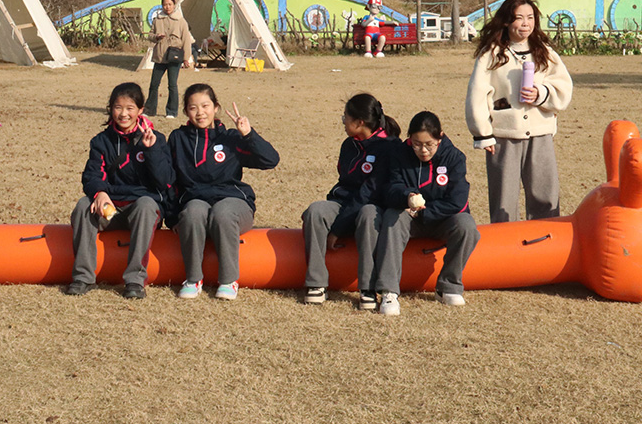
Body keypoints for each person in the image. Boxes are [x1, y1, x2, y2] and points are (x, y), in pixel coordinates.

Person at [465, 0, 573, 223]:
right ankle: (506, 251)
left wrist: (541, 94)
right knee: (503, 201)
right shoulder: (491, 54)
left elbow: (563, 86)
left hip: (540, 133)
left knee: (545, 197)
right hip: (504, 137)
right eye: (519, 18)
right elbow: (478, 93)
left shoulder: (544, 51)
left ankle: (545, 248)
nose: (526, 23)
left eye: (530, 18)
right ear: (506, 21)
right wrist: (484, 134)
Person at [169, 83, 279, 300]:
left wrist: (248, 134)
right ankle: (193, 279)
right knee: (193, 212)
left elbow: (270, 160)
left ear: (216, 107)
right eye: (193, 108)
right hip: (196, 199)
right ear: (185, 112)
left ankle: (229, 280)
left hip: (233, 201)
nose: (200, 112)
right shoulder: (178, 138)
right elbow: (169, 179)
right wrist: (172, 216)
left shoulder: (230, 138)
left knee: (223, 213)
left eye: (205, 106)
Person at [67, 82, 174, 299]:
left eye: (130, 108)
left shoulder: (157, 139)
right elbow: (92, 175)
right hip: (111, 210)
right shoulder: (101, 141)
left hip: (141, 210)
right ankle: (83, 277)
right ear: (110, 109)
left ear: (140, 110)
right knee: (82, 206)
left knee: (146, 205)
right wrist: (100, 193)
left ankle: (135, 280)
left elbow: (164, 181)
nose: (123, 114)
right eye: (118, 107)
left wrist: (152, 150)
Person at [300, 93, 400, 310]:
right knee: (316, 211)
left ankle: (367, 288)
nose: (343, 122)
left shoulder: (389, 147)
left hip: (371, 205)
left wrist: (337, 229)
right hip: (343, 202)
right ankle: (316, 283)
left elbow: (368, 193)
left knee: (367, 214)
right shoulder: (349, 145)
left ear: (359, 122)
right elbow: (344, 182)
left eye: (345, 117)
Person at [375, 111, 480, 316]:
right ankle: (389, 292)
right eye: (416, 144)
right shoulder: (398, 154)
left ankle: (448, 285)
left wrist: (426, 213)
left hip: (441, 218)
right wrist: (406, 196)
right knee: (391, 219)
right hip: (408, 214)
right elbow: (390, 187)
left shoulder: (454, 158)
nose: (423, 150)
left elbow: (457, 200)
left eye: (429, 144)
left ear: (440, 137)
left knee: (467, 225)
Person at [145, 0, 193, 119]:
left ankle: (171, 111)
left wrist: (186, 58)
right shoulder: (157, 20)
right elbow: (149, 35)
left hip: (174, 56)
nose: (167, 7)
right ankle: (150, 109)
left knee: (172, 85)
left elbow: (186, 40)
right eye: (165, 4)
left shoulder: (181, 21)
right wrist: (156, 36)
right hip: (160, 56)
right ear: (162, 6)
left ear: (174, 5)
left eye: (170, 4)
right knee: (154, 84)